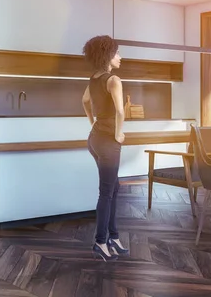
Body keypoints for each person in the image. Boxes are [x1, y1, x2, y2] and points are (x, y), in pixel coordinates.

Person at [82, 35, 129, 261]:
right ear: (108, 56)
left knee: (113, 188)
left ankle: (114, 236)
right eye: (117, 53)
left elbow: (84, 101)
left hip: (94, 139)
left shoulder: (93, 78)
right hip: (109, 142)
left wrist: (92, 120)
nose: (120, 57)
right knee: (106, 192)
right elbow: (120, 111)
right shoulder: (114, 80)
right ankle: (101, 242)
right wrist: (119, 133)